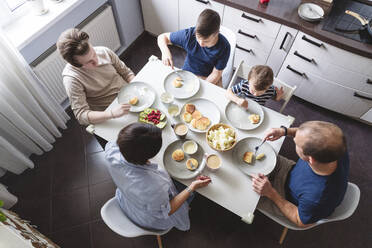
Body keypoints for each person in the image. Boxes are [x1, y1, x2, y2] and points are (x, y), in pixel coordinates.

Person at [105, 123, 211, 231]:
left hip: (128, 199)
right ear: (150, 154)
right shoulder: (154, 186)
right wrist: (192, 187)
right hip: (148, 218)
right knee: (189, 190)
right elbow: (168, 210)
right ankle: (186, 205)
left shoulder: (110, 150)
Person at [252, 121, 349, 227]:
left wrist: (270, 193)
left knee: (245, 192)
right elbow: (306, 134)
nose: (293, 139)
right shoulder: (337, 145)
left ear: (310, 159)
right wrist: (284, 131)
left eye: (297, 143)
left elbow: (300, 221)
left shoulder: (317, 198)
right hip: (291, 172)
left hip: (287, 199)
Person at [57, 28, 136, 126]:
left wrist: (135, 87)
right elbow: (81, 116)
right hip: (108, 112)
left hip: (129, 95)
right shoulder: (71, 79)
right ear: (76, 65)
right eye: (89, 62)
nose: (97, 61)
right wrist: (111, 114)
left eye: (94, 53)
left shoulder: (104, 51)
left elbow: (127, 73)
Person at [157, 9, 230, 87]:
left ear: (216, 33)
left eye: (206, 41)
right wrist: (165, 52)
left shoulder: (224, 47)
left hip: (210, 76)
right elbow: (162, 37)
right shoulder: (189, 35)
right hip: (188, 72)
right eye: (198, 37)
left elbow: (216, 73)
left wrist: (201, 86)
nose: (201, 44)